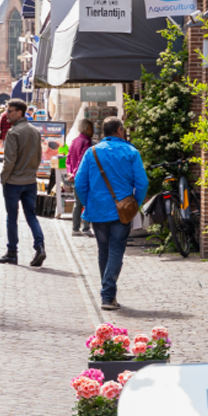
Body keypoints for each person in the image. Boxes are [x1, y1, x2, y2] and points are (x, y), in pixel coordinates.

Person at [75, 117, 148, 311]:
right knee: (116, 251)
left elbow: (80, 183)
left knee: (103, 251)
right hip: (122, 210)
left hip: (98, 210)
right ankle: (108, 295)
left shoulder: (92, 153)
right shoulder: (131, 152)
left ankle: (108, 294)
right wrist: (134, 204)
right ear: (119, 130)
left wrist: (86, 203)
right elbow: (142, 183)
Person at [0, 99, 46, 267]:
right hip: (30, 181)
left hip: (14, 182)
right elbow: (38, 157)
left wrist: (4, 178)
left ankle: (12, 252)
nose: (6, 114)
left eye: (10, 111)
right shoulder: (34, 131)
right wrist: (31, 172)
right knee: (31, 216)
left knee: (12, 218)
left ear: (20, 113)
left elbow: (9, 161)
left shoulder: (14, 133)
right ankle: (40, 246)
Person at [67, 119, 95, 238]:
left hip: (74, 176)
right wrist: (75, 173)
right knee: (87, 202)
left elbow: (68, 159)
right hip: (83, 177)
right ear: (86, 129)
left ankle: (75, 228)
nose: (93, 131)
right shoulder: (86, 141)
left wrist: (70, 173)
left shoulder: (74, 141)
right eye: (91, 128)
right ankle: (85, 228)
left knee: (77, 203)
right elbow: (82, 161)